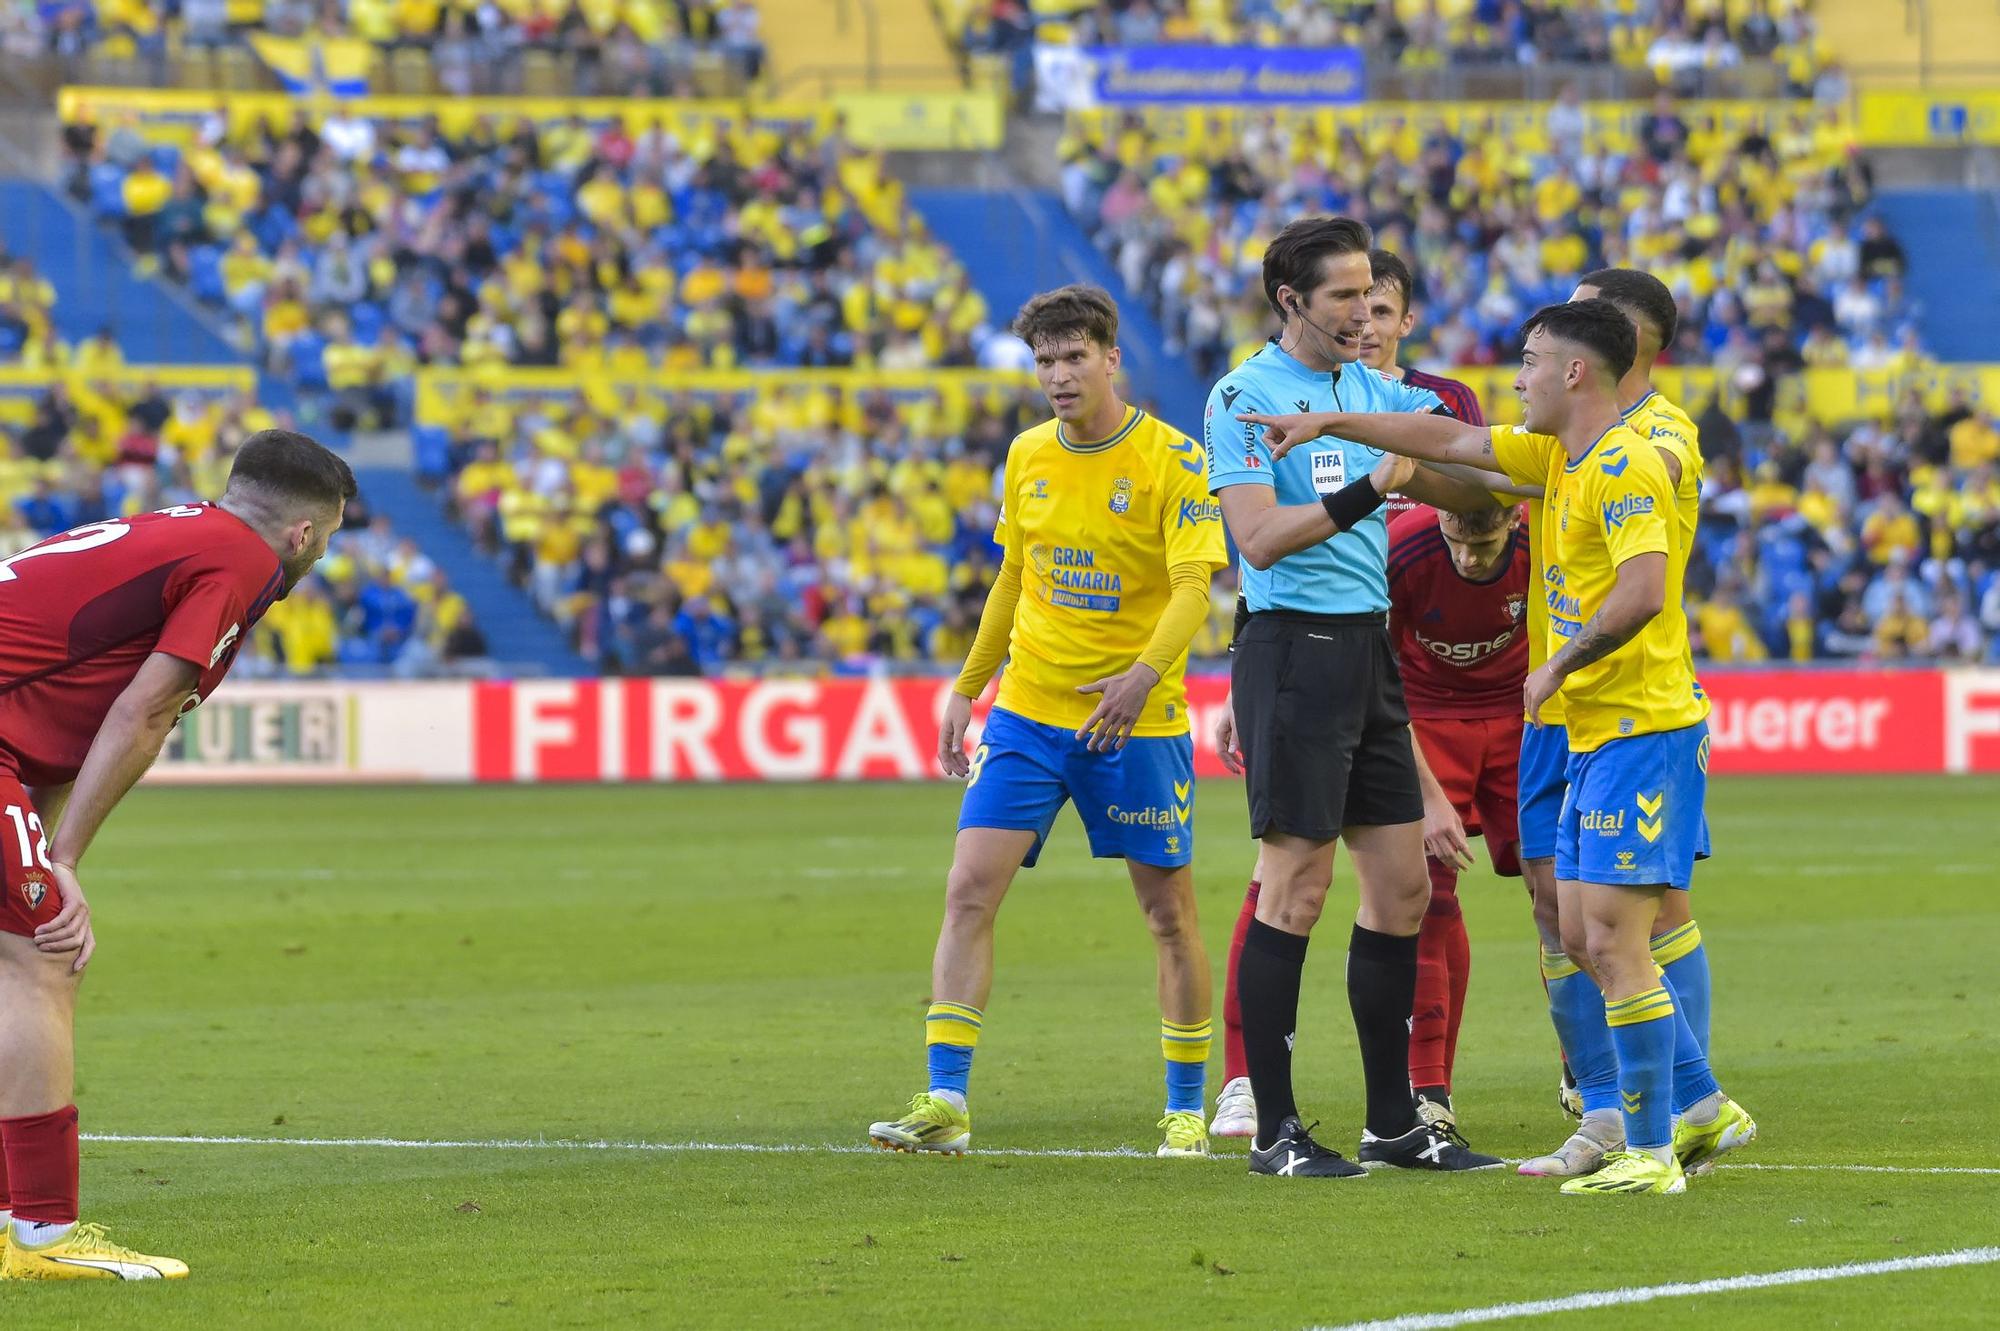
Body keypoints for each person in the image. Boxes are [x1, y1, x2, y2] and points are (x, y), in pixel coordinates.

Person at [1243, 299, 1754, 1194]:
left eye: (1527, 361)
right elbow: (1446, 443)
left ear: (1575, 372)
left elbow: (1642, 589)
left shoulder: (1633, 458)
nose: (1512, 379)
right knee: (1580, 925)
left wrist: (1555, 666)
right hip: (1580, 728)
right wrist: (1331, 418)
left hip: (1635, 720)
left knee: (1616, 929)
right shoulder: (1557, 453)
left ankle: (1651, 1141)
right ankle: (1684, 1106)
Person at [866, 285, 1229, 1160]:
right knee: (967, 887)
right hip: (1028, 712)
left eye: (1074, 358)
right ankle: (945, 1099)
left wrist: (1143, 677)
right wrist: (969, 685)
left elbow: (1193, 587)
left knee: (1167, 913)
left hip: (1131, 723)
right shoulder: (1028, 454)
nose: (1058, 376)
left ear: (1112, 359)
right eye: (1044, 361)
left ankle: (1186, 1107)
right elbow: (1013, 579)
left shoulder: (1174, 462)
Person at [0, 429, 353, 1279]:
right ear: (304, 533)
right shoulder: (238, 561)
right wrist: (66, 864)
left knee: (21, 954)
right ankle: (42, 1235)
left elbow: (47, 714)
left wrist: (45, 852)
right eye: (331, 536)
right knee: (45, 959)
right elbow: (143, 711)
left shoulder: (180, 530)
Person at [1204, 216, 1503, 1178]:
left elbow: (1479, 486)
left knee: (1405, 885)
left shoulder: (1371, 391)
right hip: (1290, 647)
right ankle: (1276, 1130)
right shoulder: (1244, 394)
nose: (1366, 312)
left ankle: (1393, 1123)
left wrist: (1434, 472)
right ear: (1290, 300)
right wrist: (1377, 487)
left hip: (1369, 649)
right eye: (1343, 295)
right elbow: (1256, 540)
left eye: (1373, 295)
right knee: (1294, 885)